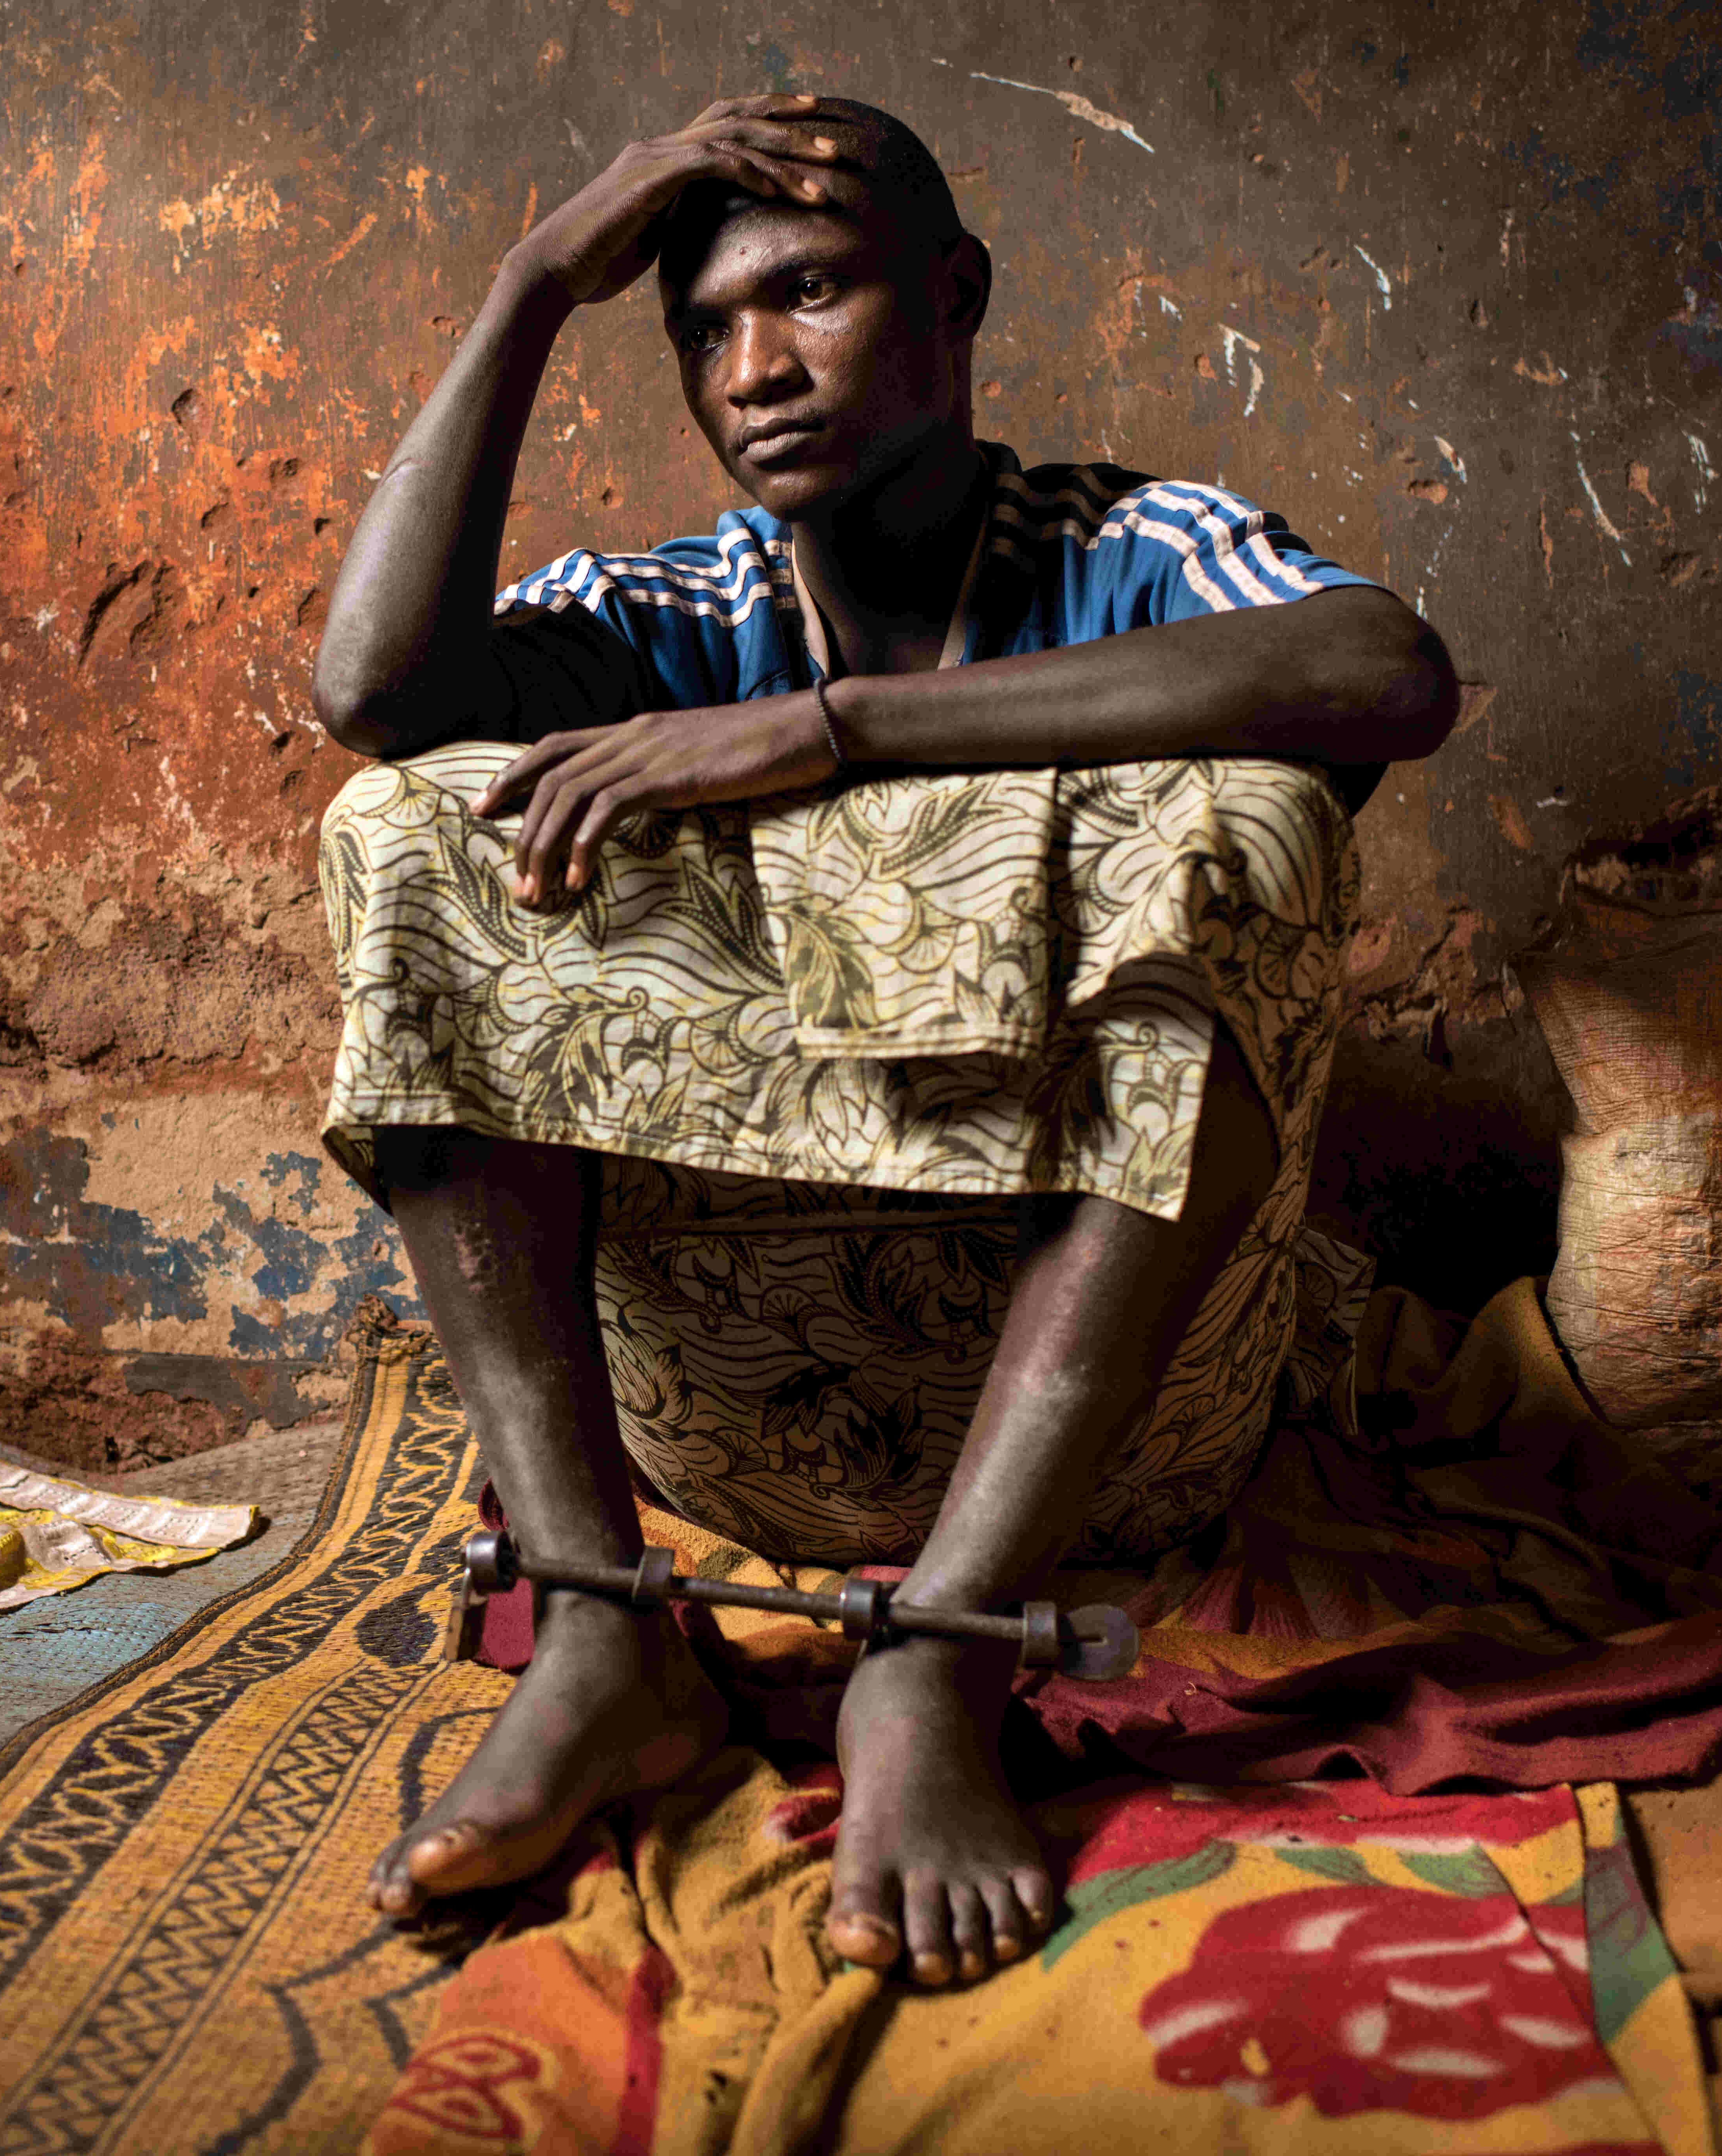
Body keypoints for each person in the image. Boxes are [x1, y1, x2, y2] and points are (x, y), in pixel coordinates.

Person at [308, 94, 1456, 1988]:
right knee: (412, 821)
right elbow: (372, 693)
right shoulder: (675, 612)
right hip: (718, 1438)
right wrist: (530, 282)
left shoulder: (1130, 543)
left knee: (1241, 821)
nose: (754, 367)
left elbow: (1383, 669)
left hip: (1113, 1450)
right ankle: (603, 1630)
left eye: (814, 293)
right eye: (700, 327)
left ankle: (935, 1660)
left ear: (956, 294)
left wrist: (830, 731)